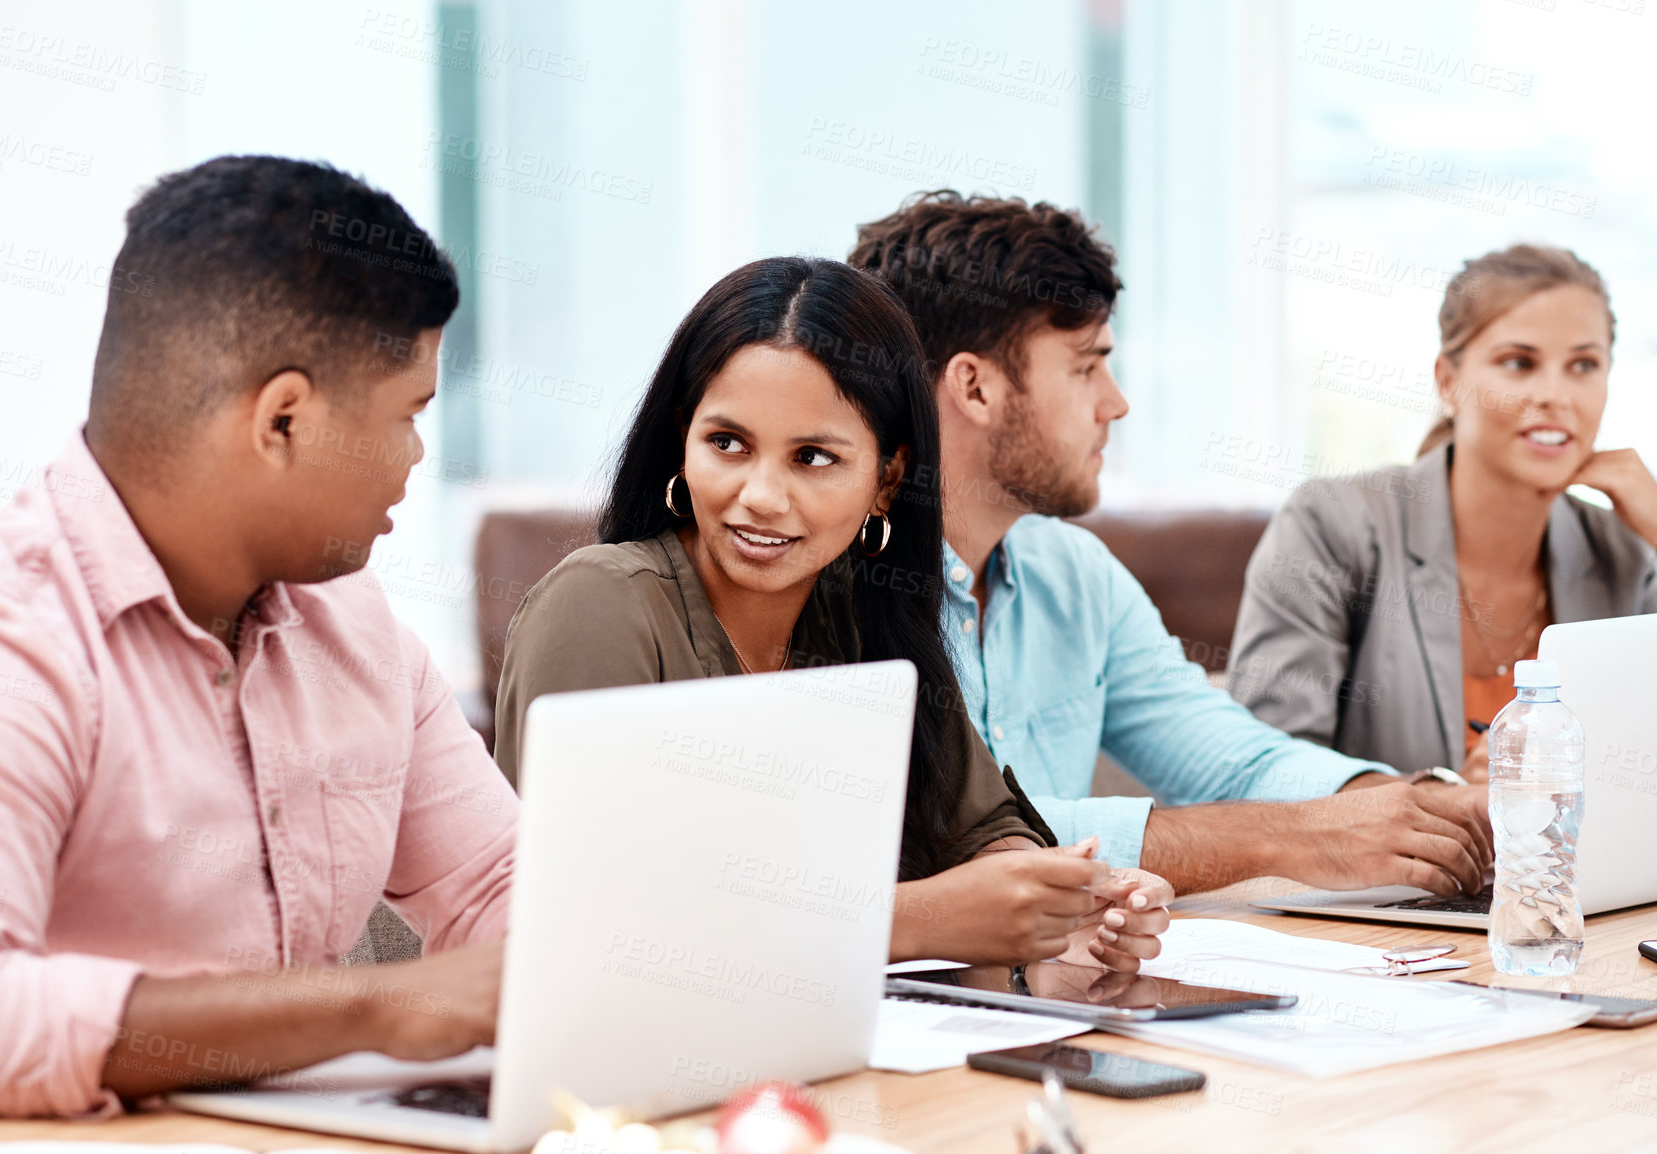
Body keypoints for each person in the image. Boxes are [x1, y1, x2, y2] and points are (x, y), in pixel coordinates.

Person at [0, 156, 517, 1118]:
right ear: (284, 420)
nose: (419, 456)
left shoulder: (357, 628)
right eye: (409, 415)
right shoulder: (1, 641)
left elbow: (498, 884)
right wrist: (371, 1007)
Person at [493, 257, 1172, 968]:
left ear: (887, 481)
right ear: (681, 441)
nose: (759, 495)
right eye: (727, 443)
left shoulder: (866, 612)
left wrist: (1058, 903)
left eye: (812, 457)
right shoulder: (598, 603)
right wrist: (916, 920)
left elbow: (983, 827)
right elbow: (592, 915)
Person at [848, 191, 1492, 897]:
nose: (1116, 402)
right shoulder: (837, 582)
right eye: (1086, 366)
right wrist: (1292, 838)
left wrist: (1419, 807)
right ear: (975, 388)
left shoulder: (1074, 573)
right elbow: (946, 840)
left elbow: (1230, 762)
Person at [1229, 244, 1657, 778]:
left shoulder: (1623, 552)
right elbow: (1263, 775)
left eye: (1584, 365)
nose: (1555, 395)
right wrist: (1447, 802)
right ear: (1448, 381)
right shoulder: (1329, 524)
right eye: (1519, 363)